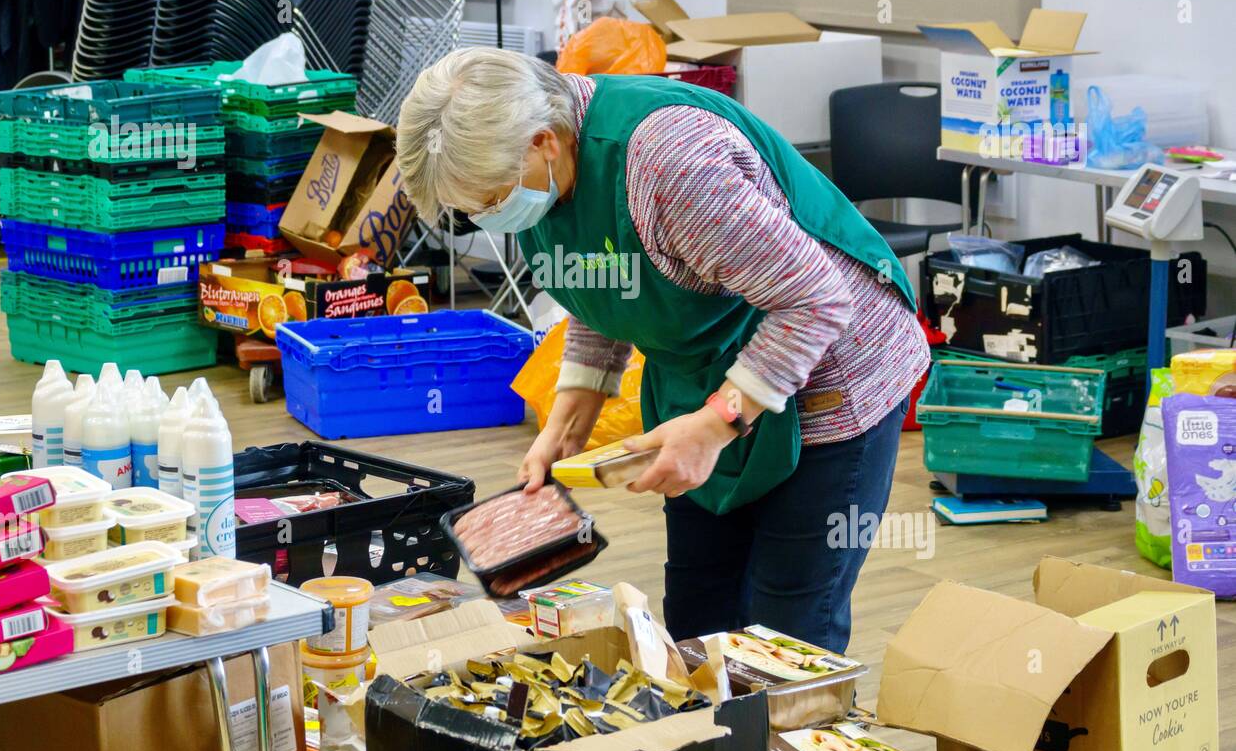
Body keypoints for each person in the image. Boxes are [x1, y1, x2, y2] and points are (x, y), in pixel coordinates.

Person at [394, 47, 929, 651]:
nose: (488, 217)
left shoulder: (670, 163)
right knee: (699, 614)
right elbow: (605, 279)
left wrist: (716, 423)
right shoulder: (547, 165)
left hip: (831, 378)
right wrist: (569, 421)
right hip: (705, 382)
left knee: (785, 632)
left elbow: (816, 302)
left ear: (544, 143)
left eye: (489, 201)